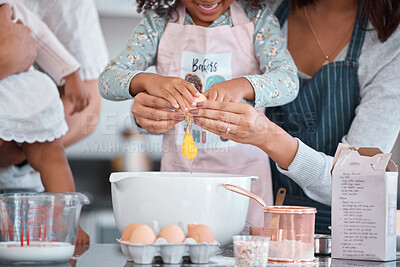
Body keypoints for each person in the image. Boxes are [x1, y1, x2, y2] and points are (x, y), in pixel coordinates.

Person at [189, 0, 400, 234]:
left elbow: (356, 182)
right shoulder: (262, 11)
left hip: (338, 240)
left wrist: (268, 136)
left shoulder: (391, 45)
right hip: (249, 227)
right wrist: (147, 113)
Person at [99, 0, 299, 227]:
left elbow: (288, 82)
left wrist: (242, 85)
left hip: (244, 183)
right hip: (180, 180)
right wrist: (148, 80)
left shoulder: (256, 19)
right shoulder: (160, 21)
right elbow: (108, 80)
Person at [0, 0, 109, 244]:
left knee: (52, 154)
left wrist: (70, 74)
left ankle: (67, 222)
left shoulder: (9, 9)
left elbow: (40, 36)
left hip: (24, 95)